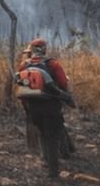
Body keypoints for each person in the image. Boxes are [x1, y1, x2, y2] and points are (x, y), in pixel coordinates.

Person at [18, 38, 73, 178]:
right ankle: (53, 172)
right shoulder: (53, 64)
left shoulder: (24, 65)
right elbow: (63, 84)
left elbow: (22, 88)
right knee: (52, 137)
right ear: (44, 49)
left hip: (33, 107)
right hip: (51, 107)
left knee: (43, 133)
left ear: (31, 51)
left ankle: (46, 160)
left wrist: (27, 108)